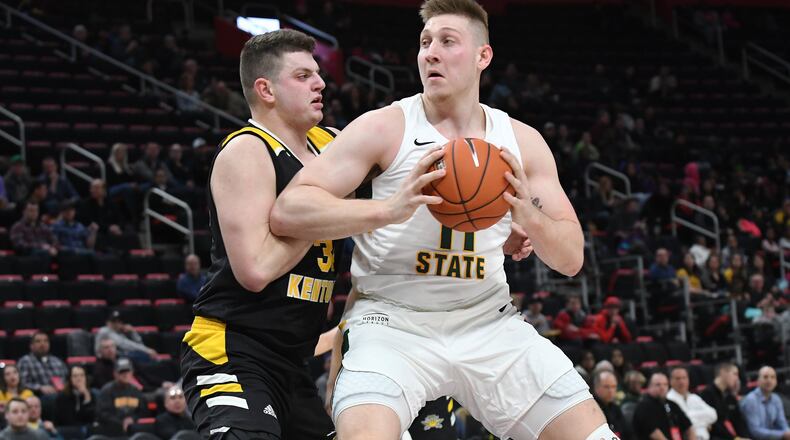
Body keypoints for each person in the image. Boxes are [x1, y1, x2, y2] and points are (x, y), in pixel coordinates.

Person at [271, 0, 612, 438]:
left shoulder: (521, 142)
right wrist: (388, 209)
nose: (430, 53)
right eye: (425, 42)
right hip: (391, 321)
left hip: (487, 319)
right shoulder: (385, 128)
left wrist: (528, 215)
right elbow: (289, 209)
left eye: (447, 41)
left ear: (483, 56)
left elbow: (570, 259)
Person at [179, 29, 342, 440]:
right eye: (303, 76)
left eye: (317, 74)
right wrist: (324, 214)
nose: (319, 84)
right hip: (232, 351)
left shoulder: (332, 144)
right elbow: (254, 271)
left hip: (293, 361)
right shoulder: (247, 150)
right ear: (266, 90)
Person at [632, 372, 696, 440]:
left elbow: (688, 426)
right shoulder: (643, 406)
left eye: (665, 384)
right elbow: (654, 433)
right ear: (649, 386)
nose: (662, 387)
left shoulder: (671, 404)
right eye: (658, 385)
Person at [699, 362, 752, 440]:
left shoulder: (730, 397)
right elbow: (714, 425)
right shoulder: (707, 394)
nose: (737, 378)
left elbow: (739, 422)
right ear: (723, 373)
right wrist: (735, 438)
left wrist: (745, 438)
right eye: (735, 374)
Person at [95, 358, 146, 437]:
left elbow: (142, 411)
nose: (125, 374)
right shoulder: (107, 391)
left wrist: (132, 419)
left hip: (132, 429)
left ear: (132, 373)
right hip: (111, 431)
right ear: (115, 374)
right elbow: (102, 414)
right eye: (121, 372)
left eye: (127, 371)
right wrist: (121, 422)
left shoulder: (136, 391)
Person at [666, 366, 717, 440]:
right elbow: (683, 422)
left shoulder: (694, 397)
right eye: (678, 378)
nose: (681, 382)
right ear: (670, 381)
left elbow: (713, 415)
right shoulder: (669, 399)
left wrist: (691, 419)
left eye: (684, 378)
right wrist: (705, 423)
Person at [739, 366, 790, 440]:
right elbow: (755, 431)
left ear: (776, 382)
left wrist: (788, 433)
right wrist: (783, 435)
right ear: (758, 381)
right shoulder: (751, 400)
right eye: (765, 377)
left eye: (773, 377)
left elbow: (782, 423)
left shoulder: (776, 399)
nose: (769, 380)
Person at [16, 332, 68, 397]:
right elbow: (22, 383)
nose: (42, 344)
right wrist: (40, 388)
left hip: (60, 394)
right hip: (37, 396)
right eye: (38, 341)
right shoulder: (25, 361)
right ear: (31, 346)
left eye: (45, 341)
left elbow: (66, 380)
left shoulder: (57, 361)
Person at [53, 366, 96, 435]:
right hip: (67, 431)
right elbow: (69, 421)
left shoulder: (90, 395)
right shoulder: (62, 397)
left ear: (86, 378)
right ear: (70, 379)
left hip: (86, 431)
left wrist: (87, 398)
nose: (79, 379)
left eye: (82, 375)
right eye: (75, 376)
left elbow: (93, 419)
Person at [593, 371, 633, 440]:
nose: (611, 391)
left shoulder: (615, 408)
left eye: (613, 386)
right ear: (596, 387)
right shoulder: (591, 409)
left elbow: (628, 433)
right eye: (606, 387)